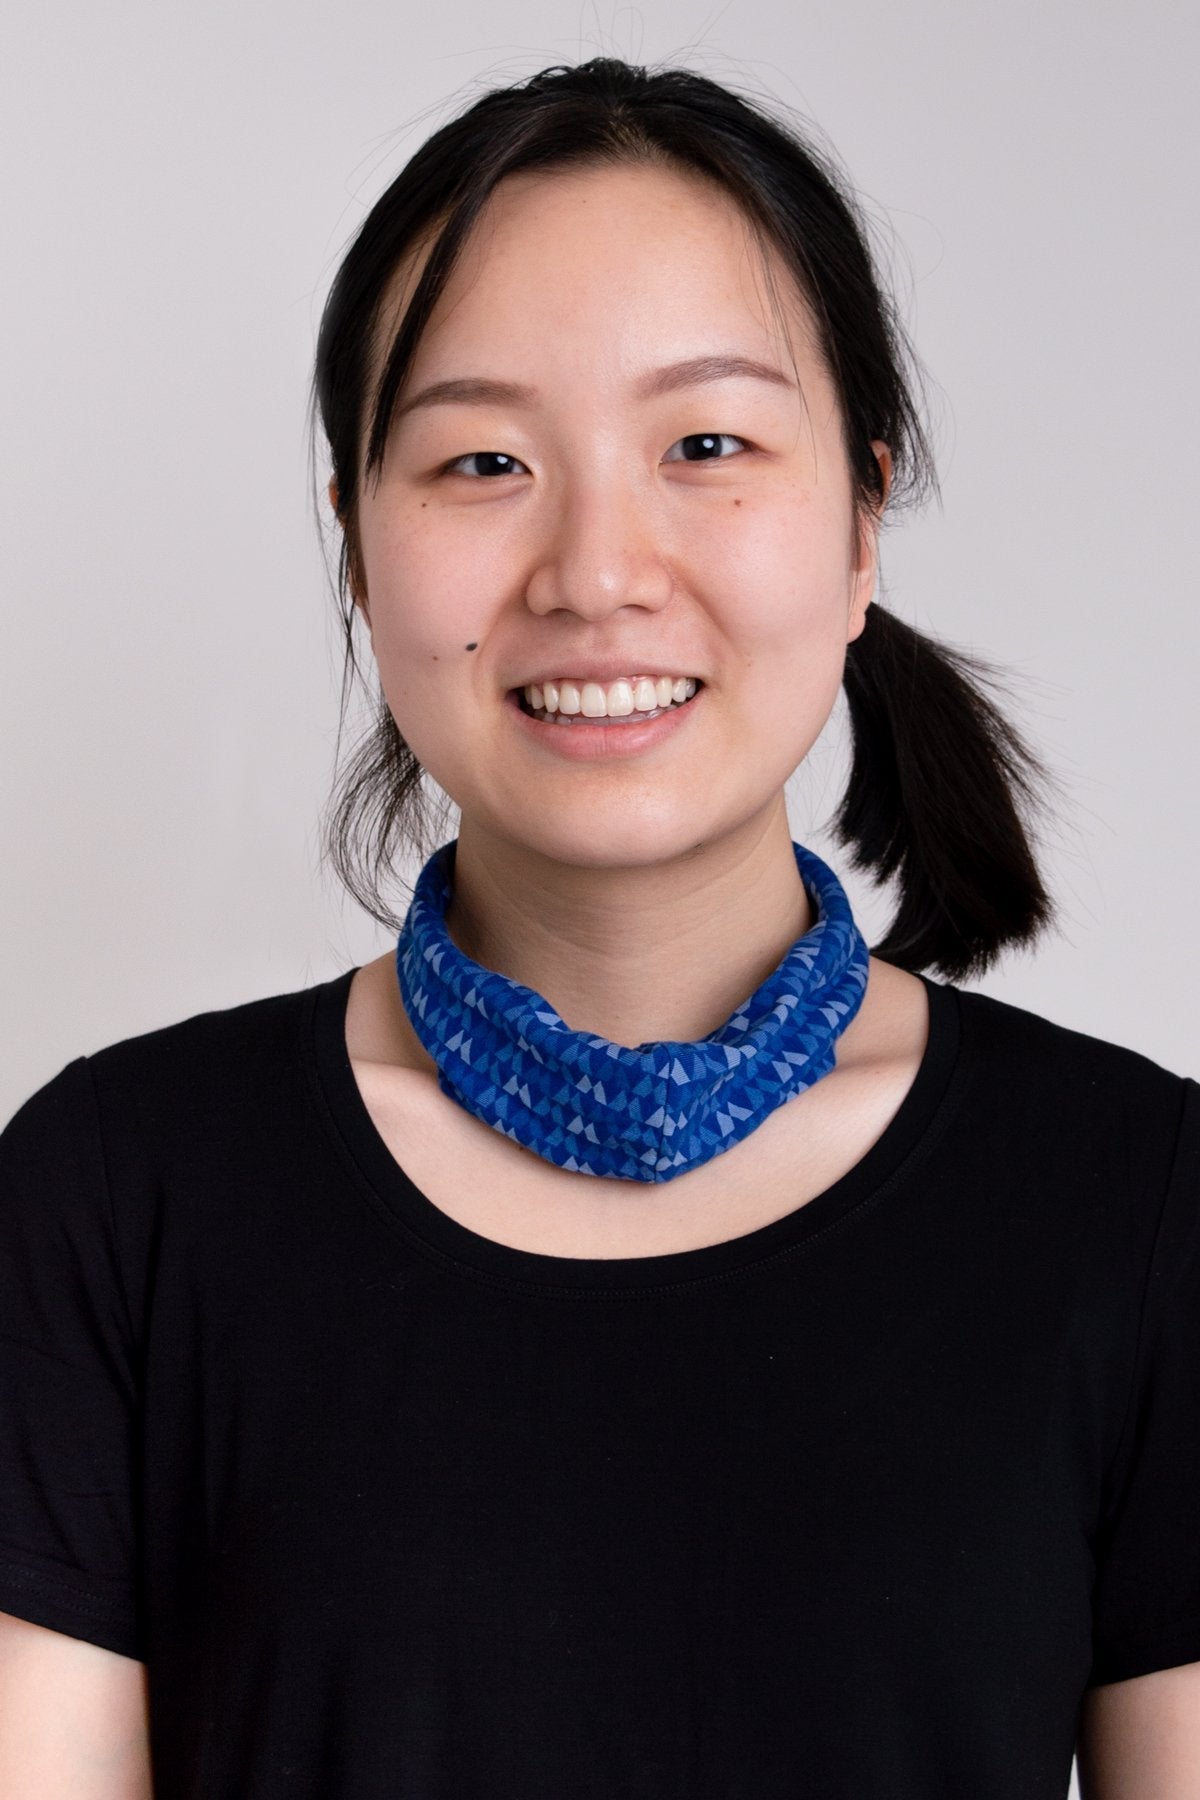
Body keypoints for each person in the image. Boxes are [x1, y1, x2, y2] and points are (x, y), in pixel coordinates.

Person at [0, 55, 1196, 1800]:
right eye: (483, 459)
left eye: (707, 445)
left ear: (863, 523)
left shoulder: (1142, 1205)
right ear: (357, 547)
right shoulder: (113, 1201)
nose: (596, 569)